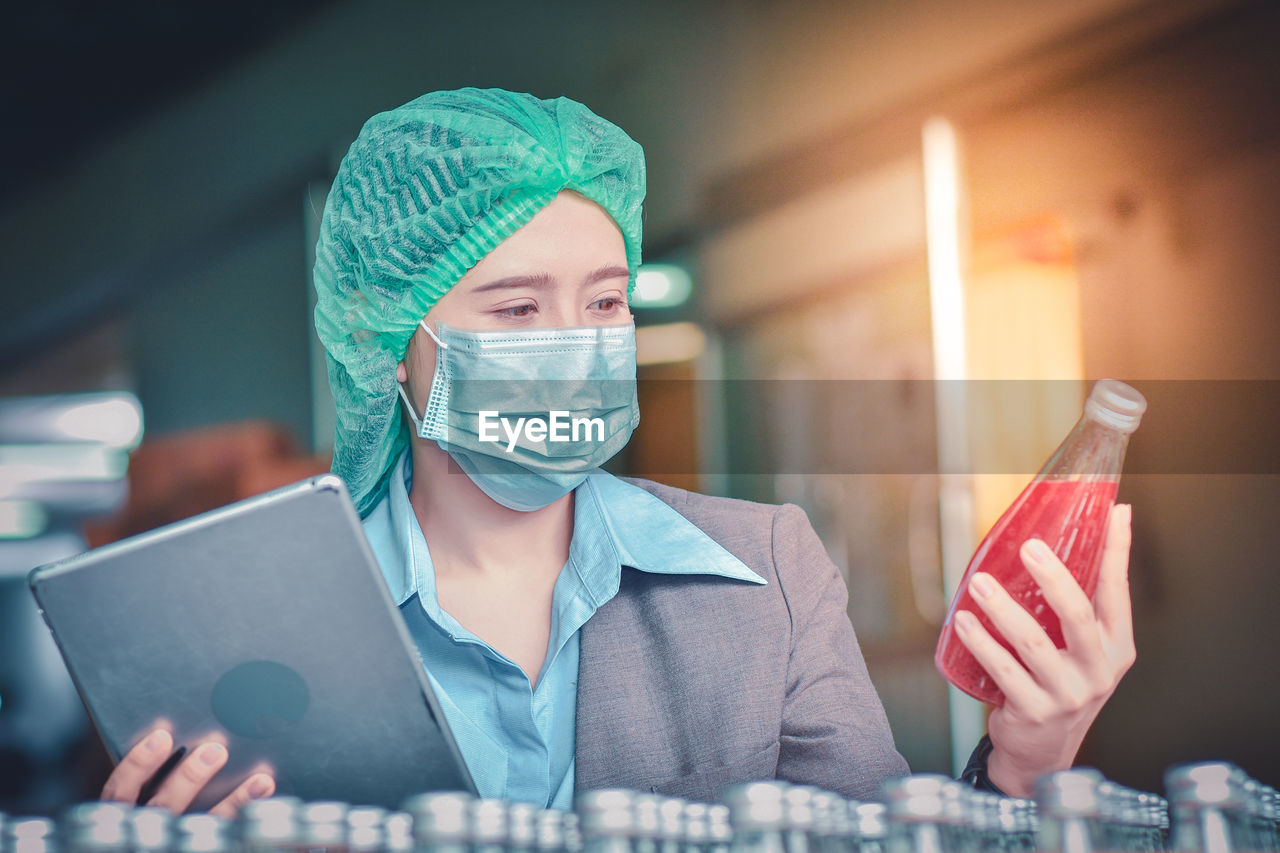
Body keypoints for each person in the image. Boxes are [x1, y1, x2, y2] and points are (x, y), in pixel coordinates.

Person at [99, 88, 1137, 816]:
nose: (573, 344)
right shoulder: (261, 618)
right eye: (514, 307)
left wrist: (1020, 764)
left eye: (603, 301)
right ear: (387, 348)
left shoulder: (765, 575)